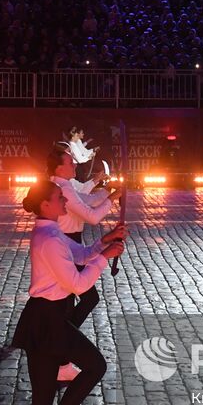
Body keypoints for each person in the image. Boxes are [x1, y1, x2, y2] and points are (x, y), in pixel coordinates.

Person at [11, 180, 125, 405]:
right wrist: (106, 257)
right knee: (95, 366)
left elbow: (81, 254)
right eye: (59, 198)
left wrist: (105, 242)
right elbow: (77, 284)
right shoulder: (48, 238)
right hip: (48, 318)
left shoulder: (51, 233)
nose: (65, 201)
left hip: (45, 318)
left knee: (42, 399)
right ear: (46, 205)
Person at [46, 144, 122, 382]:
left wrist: (109, 195)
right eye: (70, 162)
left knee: (70, 302)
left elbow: (86, 199)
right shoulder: (62, 187)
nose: (75, 164)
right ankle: (62, 349)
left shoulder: (65, 185)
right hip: (67, 243)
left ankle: (61, 352)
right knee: (86, 298)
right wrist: (112, 199)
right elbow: (91, 215)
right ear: (59, 167)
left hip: (71, 241)